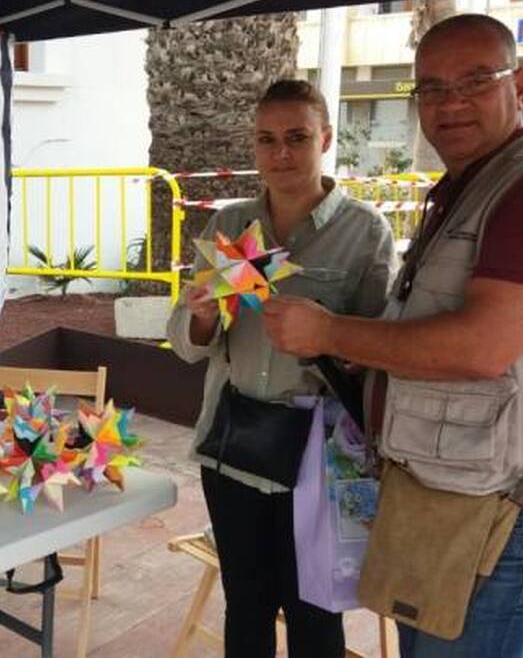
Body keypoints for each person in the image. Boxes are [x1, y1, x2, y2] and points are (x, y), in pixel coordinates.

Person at [262, 14, 523, 658]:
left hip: (505, 508)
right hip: (441, 491)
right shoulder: (470, 189)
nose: (450, 103)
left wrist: (330, 332)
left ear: (520, 85)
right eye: (431, 88)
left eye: (475, 81)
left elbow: (478, 349)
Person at [167, 79, 394, 657]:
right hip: (233, 445)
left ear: (326, 138)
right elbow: (188, 344)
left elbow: (379, 354)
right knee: (246, 604)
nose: (281, 154)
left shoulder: (364, 232)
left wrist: (326, 333)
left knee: (313, 611)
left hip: (316, 454)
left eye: (297, 137)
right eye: (267, 140)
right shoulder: (230, 226)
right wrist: (202, 315)